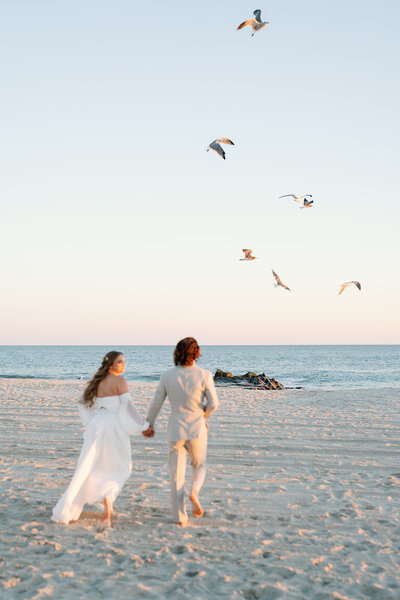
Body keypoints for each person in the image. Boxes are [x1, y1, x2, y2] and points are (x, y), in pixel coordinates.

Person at [51, 351, 150, 527]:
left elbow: (83, 402)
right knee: (120, 466)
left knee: (90, 464)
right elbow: (128, 406)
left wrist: (93, 419)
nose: (123, 365)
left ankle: (101, 500)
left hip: (98, 424)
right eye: (120, 362)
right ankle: (107, 498)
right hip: (113, 426)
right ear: (111, 364)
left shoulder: (98, 382)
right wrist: (143, 425)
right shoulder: (120, 381)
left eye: (124, 362)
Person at [144, 337, 219, 527]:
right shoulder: (205, 374)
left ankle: (180, 517)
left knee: (176, 474)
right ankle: (194, 492)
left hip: (176, 428)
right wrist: (204, 415)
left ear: (177, 352)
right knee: (199, 465)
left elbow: (156, 403)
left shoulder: (167, 376)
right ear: (197, 353)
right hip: (197, 427)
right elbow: (214, 404)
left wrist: (150, 423)